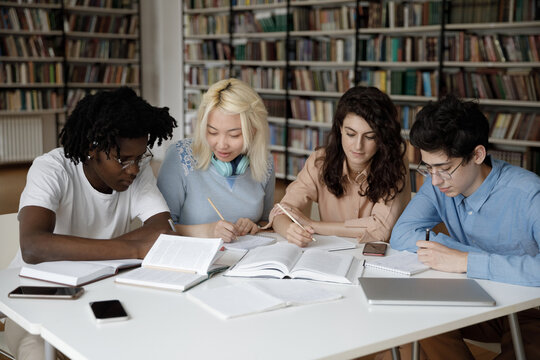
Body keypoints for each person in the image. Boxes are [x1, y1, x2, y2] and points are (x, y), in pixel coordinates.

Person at [6, 86, 177, 360]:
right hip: (35, 295)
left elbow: (162, 229)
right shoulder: (51, 169)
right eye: (122, 159)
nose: (133, 169)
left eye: (140, 157)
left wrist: (73, 248)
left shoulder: (137, 171)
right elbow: (34, 246)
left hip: (103, 290)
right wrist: (134, 249)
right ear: (91, 148)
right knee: (37, 352)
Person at [390, 94, 540, 359]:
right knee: (423, 318)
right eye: (428, 168)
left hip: (532, 309)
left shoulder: (529, 194)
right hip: (476, 296)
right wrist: (451, 254)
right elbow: (401, 234)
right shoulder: (440, 186)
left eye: (444, 168)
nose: (434, 181)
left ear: (478, 154)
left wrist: (466, 261)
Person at [270, 86, 410, 246]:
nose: (358, 146)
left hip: (375, 259)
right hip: (328, 257)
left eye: (370, 137)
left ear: (382, 138)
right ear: (340, 129)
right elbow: (281, 211)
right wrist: (290, 230)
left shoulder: (395, 163)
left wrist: (313, 225)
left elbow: (380, 229)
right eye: (351, 134)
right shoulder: (320, 161)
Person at [157, 78, 275, 242]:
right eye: (212, 132)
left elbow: (266, 222)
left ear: (254, 130)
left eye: (234, 135)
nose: (221, 145)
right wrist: (207, 231)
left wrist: (255, 227)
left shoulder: (265, 162)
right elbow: (158, 229)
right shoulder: (179, 157)